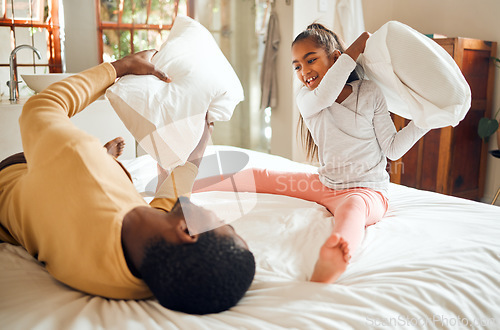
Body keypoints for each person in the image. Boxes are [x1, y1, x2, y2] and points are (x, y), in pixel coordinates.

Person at [0, 50, 255, 315]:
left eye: (223, 225)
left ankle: (106, 158)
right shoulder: (146, 274)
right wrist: (203, 137)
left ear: (187, 231)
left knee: (77, 151)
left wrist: (119, 67)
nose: (217, 216)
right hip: (53, 209)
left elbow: (41, 106)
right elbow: (166, 208)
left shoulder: (80, 161)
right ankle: (108, 159)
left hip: (15, 174)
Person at [194, 24, 429, 284]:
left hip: (367, 190)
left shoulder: (369, 92)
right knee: (263, 175)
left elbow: (393, 149)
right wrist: (357, 46)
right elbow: (326, 94)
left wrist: (425, 121)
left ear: (337, 59)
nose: (304, 71)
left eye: (311, 60)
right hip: (328, 184)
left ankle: (336, 254)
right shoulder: (307, 98)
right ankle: (194, 182)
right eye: (297, 66)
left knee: (353, 209)